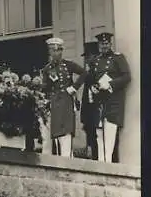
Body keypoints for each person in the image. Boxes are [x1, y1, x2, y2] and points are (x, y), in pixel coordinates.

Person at [86, 32, 131, 163]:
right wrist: (94, 87)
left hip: (113, 103)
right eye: (101, 44)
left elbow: (127, 77)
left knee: (110, 135)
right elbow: (93, 78)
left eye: (106, 43)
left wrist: (110, 84)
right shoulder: (96, 60)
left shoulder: (118, 58)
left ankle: (108, 164)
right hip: (99, 103)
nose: (104, 46)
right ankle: (101, 163)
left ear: (110, 44)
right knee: (99, 135)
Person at [41, 37, 87, 158]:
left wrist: (74, 87)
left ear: (61, 51)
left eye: (58, 50)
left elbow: (84, 73)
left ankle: (67, 157)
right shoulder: (47, 69)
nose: (55, 53)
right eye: (52, 50)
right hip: (54, 102)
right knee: (56, 132)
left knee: (66, 130)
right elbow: (45, 87)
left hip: (67, 100)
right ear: (49, 52)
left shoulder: (69, 65)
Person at [80, 42, 100, 160]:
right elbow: (85, 96)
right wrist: (84, 116)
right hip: (89, 112)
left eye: (88, 56)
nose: (86, 60)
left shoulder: (99, 72)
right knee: (91, 137)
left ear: (95, 56)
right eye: (86, 57)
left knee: (98, 139)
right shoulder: (88, 73)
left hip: (97, 111)